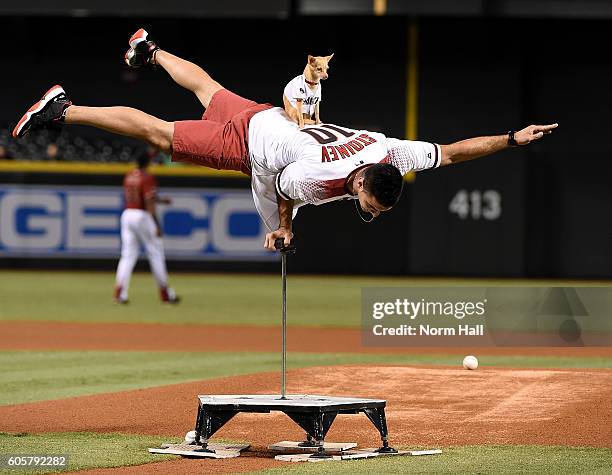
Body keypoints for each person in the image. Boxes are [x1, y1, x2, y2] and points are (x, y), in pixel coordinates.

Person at [12, 28, 557, 251]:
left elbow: (456, 152)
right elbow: (273, 181)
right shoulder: (325, 181)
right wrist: (281, 230)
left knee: (207, 87)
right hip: (251, 147)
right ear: (363, 179)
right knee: (157, 132)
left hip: (269, 118)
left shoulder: (391, 149)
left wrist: (512, 137)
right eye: (365, 206)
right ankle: (66, 108)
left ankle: (149, 49)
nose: (362, 211)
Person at [114, 150, 180, 304]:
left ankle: (120, 292)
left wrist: (161, 201)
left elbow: (144, 196)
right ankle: (165, 293)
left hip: (127, 214)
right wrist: (156, 223)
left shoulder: (129, 175)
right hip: (142, 215)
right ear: (147, 163)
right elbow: (148, 201)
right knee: (155, 253)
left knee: (127, 255)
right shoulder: (147, 177)